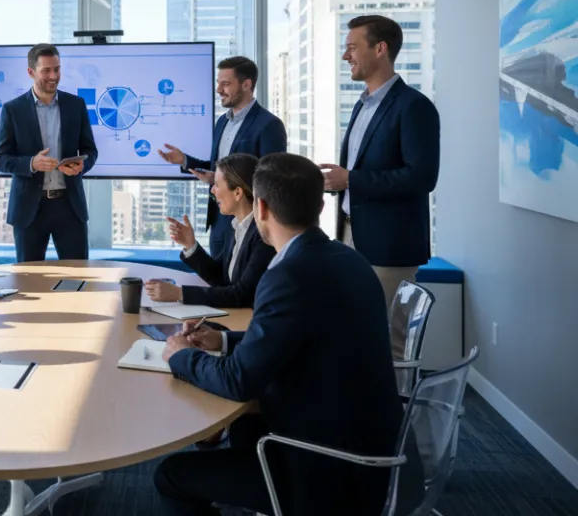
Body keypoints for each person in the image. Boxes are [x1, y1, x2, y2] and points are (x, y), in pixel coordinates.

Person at [153, 153, 420, 516]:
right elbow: (298, 337)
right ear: (320, 205)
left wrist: (180, 356)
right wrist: (225, 340)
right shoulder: (349, 259)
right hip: (377, 452)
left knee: (171, 475)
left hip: (328, 468)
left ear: (260, 207)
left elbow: (239, 381)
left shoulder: (289, 275)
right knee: (244, 429)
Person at [319, 15, 441, 312]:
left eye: (351, 47)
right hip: (350, 237)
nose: (345, 55)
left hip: (389, 248)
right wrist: (335, 180)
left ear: (379, 49)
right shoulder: (362, 105)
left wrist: (349, 180)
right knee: (353, 334)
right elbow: (364, 168)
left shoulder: (414, 106)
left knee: (387, 345)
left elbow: (422, 177)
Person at [158, 56, 286, 260]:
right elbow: (218, 168)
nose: (219, 90)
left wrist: (227, 183)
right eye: (218, 83)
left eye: (225, 84)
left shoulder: (269, 125)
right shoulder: (221, 122)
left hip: (250, 222)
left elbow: (272, 179)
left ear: (246, 84)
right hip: (219, 220)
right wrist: (184, 161)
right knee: (218, 281)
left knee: (240, 287)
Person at [0, 43, 99, 262]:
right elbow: (1, 159)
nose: (53, 76)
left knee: (77, 278)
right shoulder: (13, 109)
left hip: (69, 207)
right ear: (31, 72)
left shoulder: (76, 105)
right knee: (29, 281)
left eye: (57, 69)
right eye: (46, 71)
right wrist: (32, 163)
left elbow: (90, 150)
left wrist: (82, 166)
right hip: (29, 210)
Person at [144, 153, 274, 309]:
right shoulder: (236, 226)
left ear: (237, 193)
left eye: (217, 184)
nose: (212, 190)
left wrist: (180, 294)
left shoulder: (263, 235)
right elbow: (220, 277)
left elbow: (243, 295)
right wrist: (190, 245)